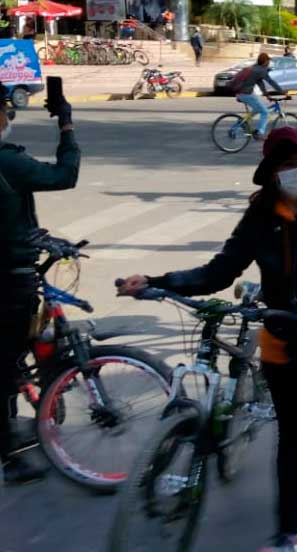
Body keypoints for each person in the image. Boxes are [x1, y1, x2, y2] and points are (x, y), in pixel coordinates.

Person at [116, 128, 297, 552]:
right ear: (272, 176)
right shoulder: (261, 215)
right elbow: (220, 271)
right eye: (286, 167)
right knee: (294, 433)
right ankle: (289, 532)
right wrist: (158, 282)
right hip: (281, 335)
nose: (296, 174)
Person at [0, 84, 78, 485]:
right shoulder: (8, 162)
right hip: (9, 279)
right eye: (4, 110)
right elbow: (65, 176)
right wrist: (66, 124)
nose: (8, 118)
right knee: (7, 363)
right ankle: (8, 456)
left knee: (14, 354)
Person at [235, 53, 285, 140]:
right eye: (268, 61)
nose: (269, 62)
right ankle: (259, 132)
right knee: (265, 112)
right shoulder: (261, 70)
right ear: (265, 62)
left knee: (258, 107)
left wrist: (267, 95)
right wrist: (283, 92)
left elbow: (260, 83)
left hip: (242, 93)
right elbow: (271, 81)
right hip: (246, 94)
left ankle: (243, 121)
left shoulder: (255, 68)